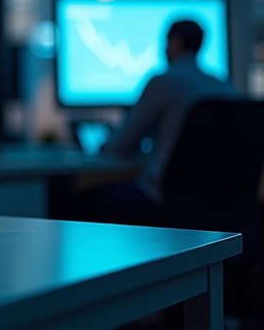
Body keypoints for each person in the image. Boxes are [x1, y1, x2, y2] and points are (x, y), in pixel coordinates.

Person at [83, 20, 237, 225]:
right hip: (220, 206)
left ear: (175, 42)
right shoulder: (225, 86)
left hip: (165, 202)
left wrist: (104, 145)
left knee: (81, 200)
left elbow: (121, 145)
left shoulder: (164, 82)